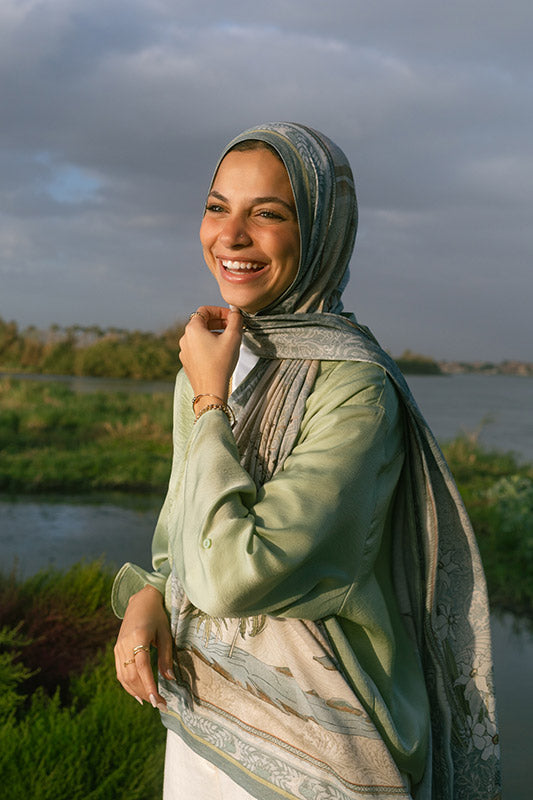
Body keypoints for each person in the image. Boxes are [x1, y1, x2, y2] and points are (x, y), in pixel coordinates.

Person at [112, 122, 501, 800]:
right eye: (217, 206)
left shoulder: (356, 389)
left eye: (267, 214)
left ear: (321, 232)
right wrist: (148, 594)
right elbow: (182, 540)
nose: (231, 236)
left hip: (322, 749)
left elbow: (230, 578)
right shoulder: (212, 360)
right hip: (203, 721)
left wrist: (210, 401)